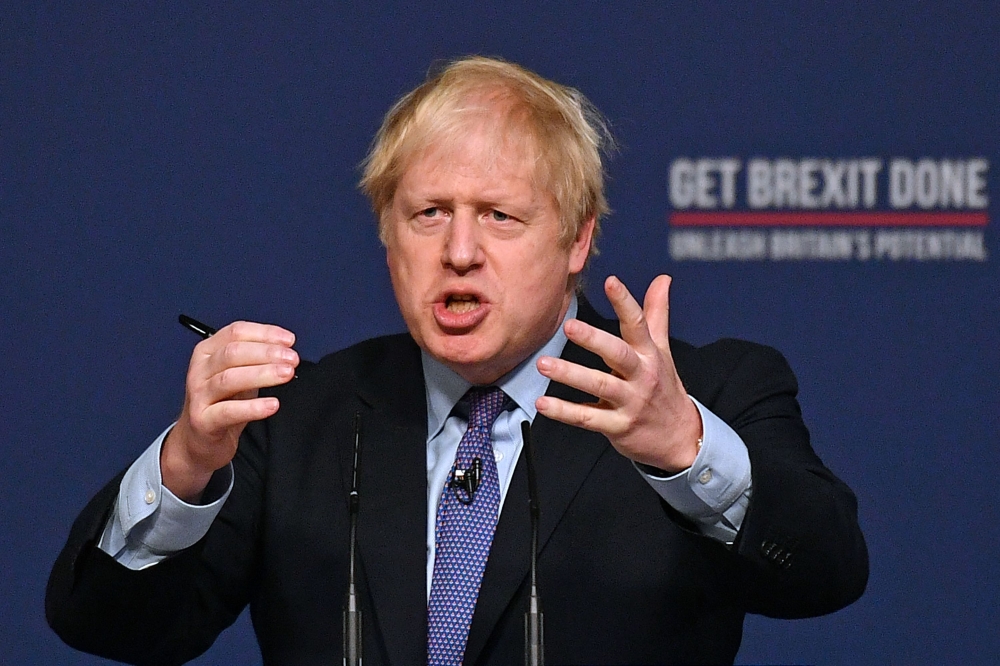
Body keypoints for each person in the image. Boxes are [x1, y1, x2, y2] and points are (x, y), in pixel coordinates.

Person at [47, 56, 867, 665]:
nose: (460, 251)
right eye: (428, 213)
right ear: (385, 231)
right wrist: (188, 463)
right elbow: (110, 626)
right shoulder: (296, 419)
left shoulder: (710, 394)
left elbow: (825, 574)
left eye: (500, 216)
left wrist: (686, 451)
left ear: (578, 237)